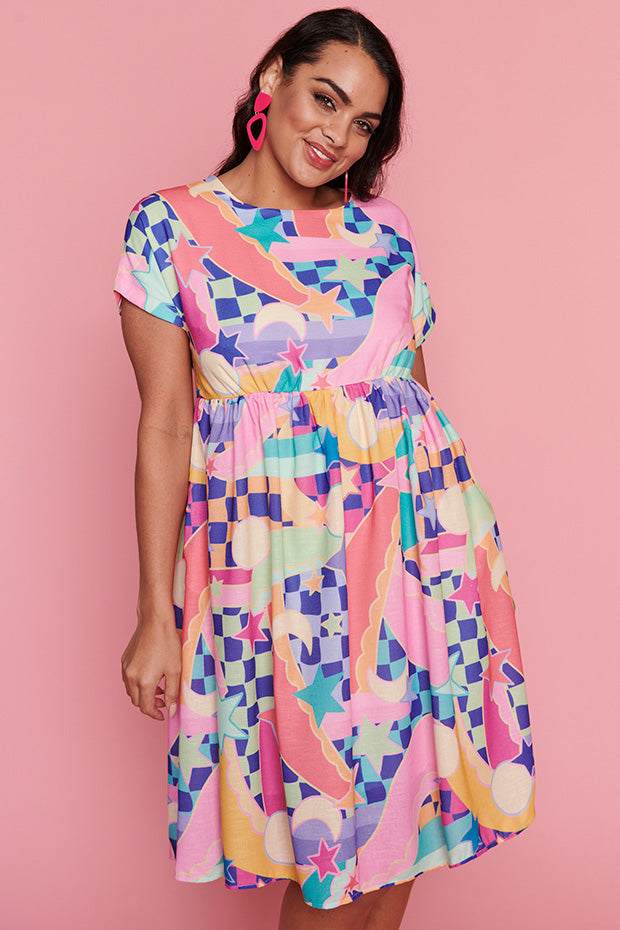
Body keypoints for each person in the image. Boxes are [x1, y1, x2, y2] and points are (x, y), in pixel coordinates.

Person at [114, 8, 535, 929]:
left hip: (416, 570)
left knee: (409, 830)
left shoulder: (386, 234)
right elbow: (166, 425)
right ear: (273, 77)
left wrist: (460, 567)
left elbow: (411, 398)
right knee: (331, 853)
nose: (338, 135)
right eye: (326, 99)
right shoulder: (171, 226)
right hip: (279, 579)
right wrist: (155, 612)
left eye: (364, 123)